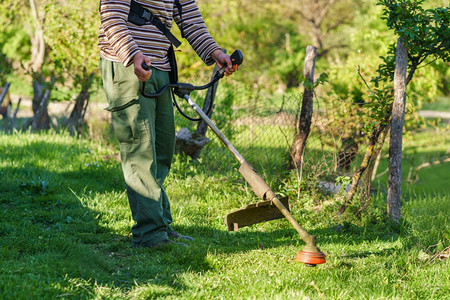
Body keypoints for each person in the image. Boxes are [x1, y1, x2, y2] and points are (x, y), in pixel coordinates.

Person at [98, 0, 237, 248]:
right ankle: (150, 234)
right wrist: (132, 53)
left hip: (161, 68)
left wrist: (216, 53)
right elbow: (111, 16)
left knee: (162, 149)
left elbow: (190, 20)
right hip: (128, 65)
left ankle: (159, 224)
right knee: (140, 150)